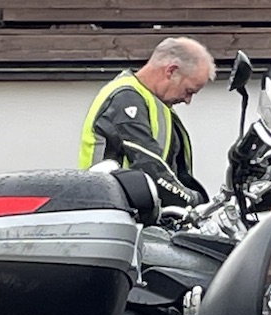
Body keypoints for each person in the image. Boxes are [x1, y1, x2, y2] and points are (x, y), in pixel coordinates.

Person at [78, 37, 215, 207]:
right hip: (112, 209)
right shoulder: (125, 99)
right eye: (189, 91)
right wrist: (192, 200)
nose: (188, 100)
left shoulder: (154, 103)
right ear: (171, 71)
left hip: (131, 210)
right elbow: (147, 165)